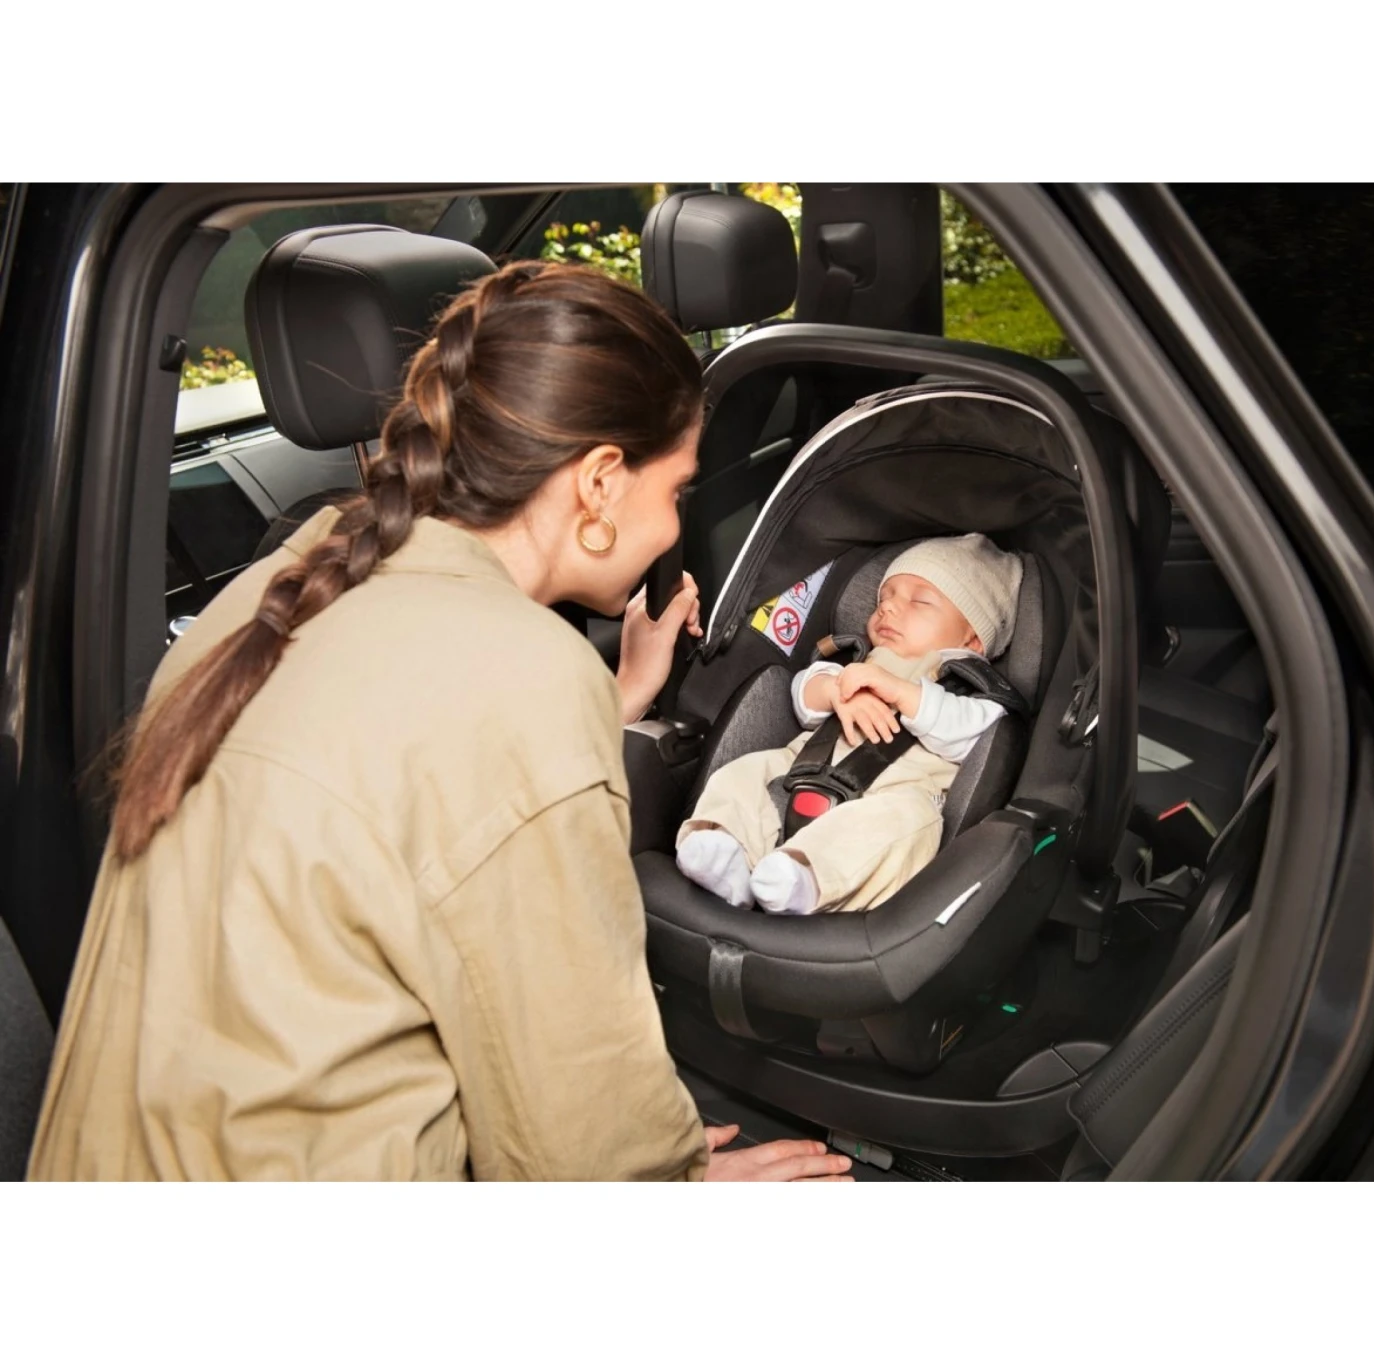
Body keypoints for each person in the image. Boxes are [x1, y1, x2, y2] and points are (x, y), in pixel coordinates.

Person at [27, 260, 852, 1183]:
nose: (672, 528)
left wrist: (614, 697)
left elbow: (396, 782)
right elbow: (576, 1126)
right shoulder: (518, 680)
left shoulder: (282, 586)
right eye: (675, 492)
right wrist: (675, 1183)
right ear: (600, 481)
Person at [676, 535, 1023, 915]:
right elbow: (803, 694)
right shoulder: (856, 658)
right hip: (800, 768)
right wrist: (835, 692)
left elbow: (977, 736)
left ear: (972, 640)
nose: (888, 607)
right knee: (744, 772)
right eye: (884, 597)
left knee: (910, 824)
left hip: (895, 795)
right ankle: (724, 849)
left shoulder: (972, 691)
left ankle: (806, 879)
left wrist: (905, 695)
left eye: (919, 601)